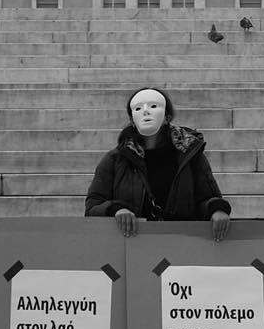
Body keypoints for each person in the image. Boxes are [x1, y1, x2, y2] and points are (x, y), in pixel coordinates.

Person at [85, 86, 231, 240]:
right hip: (133, 244)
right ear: (132, 119)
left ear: (167, 117)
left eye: (153, 106)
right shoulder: (115, 159)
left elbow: (207, 197)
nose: (146, 112)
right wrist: (116, 210)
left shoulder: (189, 155)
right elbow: (93, 206)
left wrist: (216, 210)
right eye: (138, 108)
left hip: (182, 242)